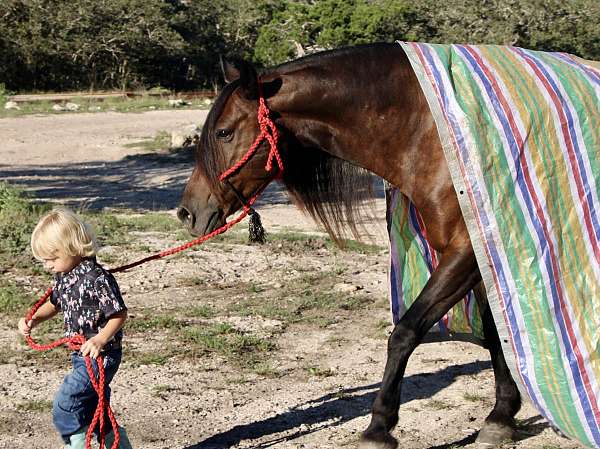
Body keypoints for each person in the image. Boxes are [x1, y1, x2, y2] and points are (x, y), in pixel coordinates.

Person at [17, 207, 133, 449]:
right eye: (44, 260)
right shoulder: (64, 276)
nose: (47, 265)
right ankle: (119, 444)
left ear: (72, 247)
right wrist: (35, 319)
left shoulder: (96, 278)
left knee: (66, 403)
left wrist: (100, 339)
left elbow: (119, 313)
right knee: (96, 410)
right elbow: (55, 303)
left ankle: (78, 443)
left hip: (102, 355)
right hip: (81, 354)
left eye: (52, 258)